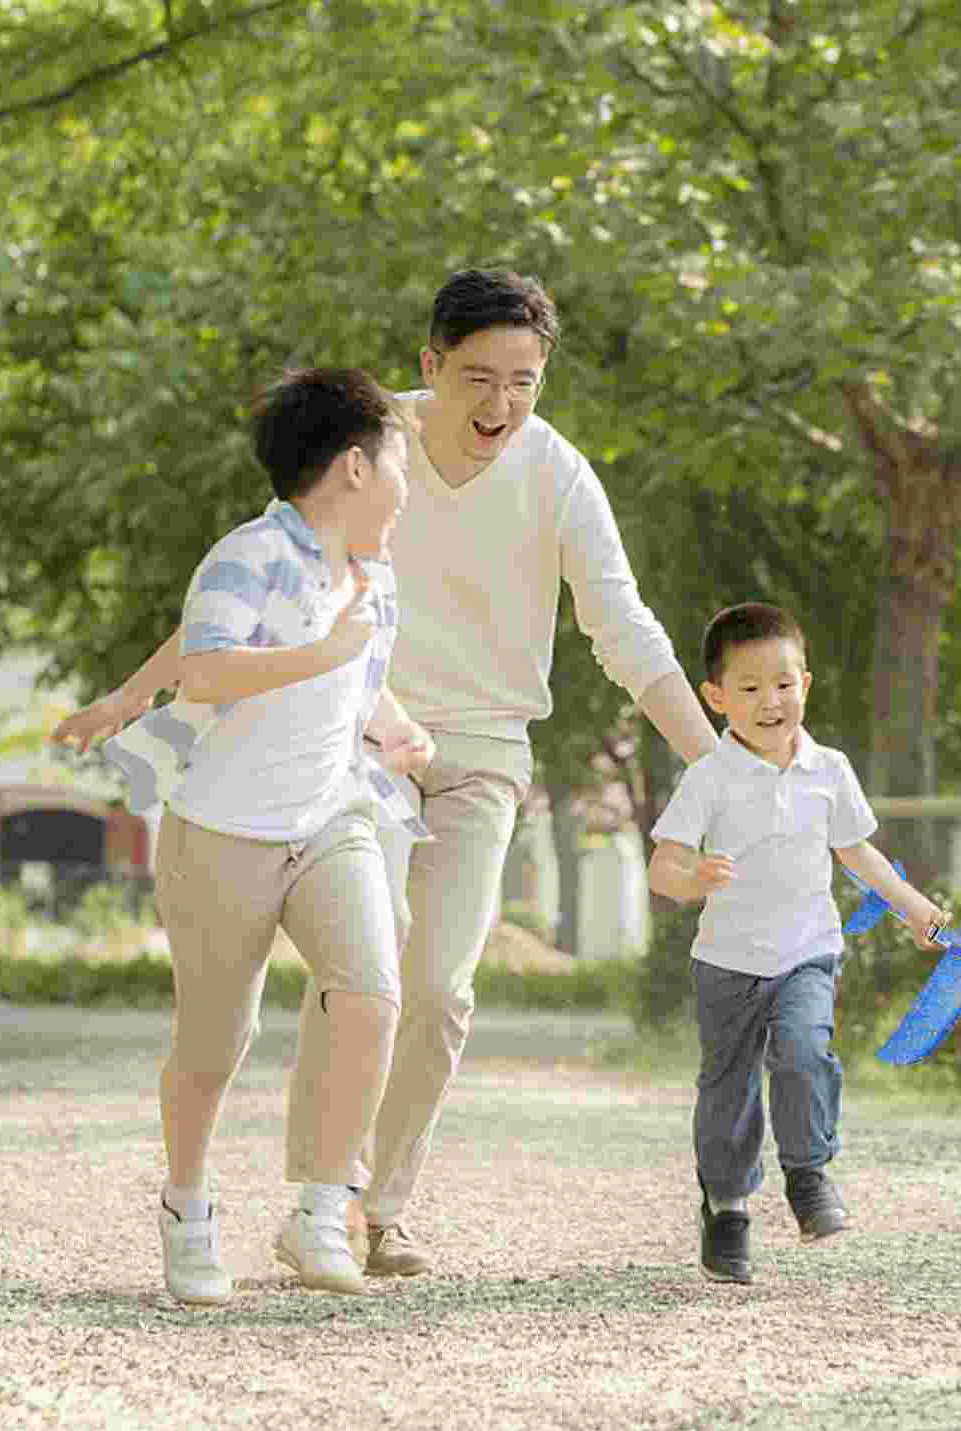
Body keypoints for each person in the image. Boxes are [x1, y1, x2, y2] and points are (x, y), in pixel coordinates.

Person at [56, 268, 718, 1276]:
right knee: (363, 966)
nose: (500, 406)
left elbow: (623, 629)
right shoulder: (367, 451)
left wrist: (718, 769)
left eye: (525, 382)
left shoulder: (556, 475)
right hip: (351, 739)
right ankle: (320, 1194)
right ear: (430, 366)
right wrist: (133, 697)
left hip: (480, 748)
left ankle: (374, 1202)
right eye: (479, 378)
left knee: (439, 987)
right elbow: (255, 593)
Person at [56, 367, 435, 1306]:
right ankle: (187, 1207)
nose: (407, 491)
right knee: (214, 1043)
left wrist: (395, 723)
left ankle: (319, 1213)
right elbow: (211, 665)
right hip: (222, 834)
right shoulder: (249, 553)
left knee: (373, 994)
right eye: (399, 467)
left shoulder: (373, 578)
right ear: (353, 467)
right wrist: (147, 693)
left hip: (330, 817)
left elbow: (357, 675)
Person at [646, 601, 948, 1285]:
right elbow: (663, 863)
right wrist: (692, 876)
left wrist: (913, 907)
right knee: (728, 1089)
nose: (770, 701)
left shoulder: (829, 769)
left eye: (783, 684)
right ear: (717, 698)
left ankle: (808, 1174)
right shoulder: (709, 779)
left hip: (808, 949)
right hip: (725, 963)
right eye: (749, 689)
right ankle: (726, 1206)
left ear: (804, 684)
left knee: (806, 1052)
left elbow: (858, 853)